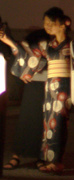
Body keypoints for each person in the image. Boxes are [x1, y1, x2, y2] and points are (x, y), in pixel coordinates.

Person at [0, 7, 74, 174]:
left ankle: (55, 161)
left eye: (51, 23)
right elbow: (29, 55)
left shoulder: (71, 44)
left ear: (64, 24)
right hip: (49, 88)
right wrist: (9, 42)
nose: (47, 26)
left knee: (59, 125)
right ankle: (47, 159)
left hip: (63, 88)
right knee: (49, 125)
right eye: (45, 23)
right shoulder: (48, 45)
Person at [3, 28, 49, 170]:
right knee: (25, 121)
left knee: (42, 124)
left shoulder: (50, 46)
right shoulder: (27, 46)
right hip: (32, 86)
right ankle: (16, 156)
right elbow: (20, 54)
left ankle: (40, 157)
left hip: (47, 86)